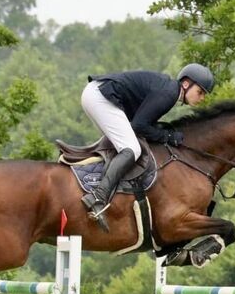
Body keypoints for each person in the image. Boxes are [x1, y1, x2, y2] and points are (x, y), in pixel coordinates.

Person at [80, 63, 215, 221]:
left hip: (98, 95)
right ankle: (98, 196)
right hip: (100, 97)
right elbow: (139, 126)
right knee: (132, 149)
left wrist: (164, 133)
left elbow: (142, 123)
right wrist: (168, 137)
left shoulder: (169, 90)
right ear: (186, 84)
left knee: (124, 147)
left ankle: (100, 187)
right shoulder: (170, 93)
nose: (202, 98)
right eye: (200, 92)